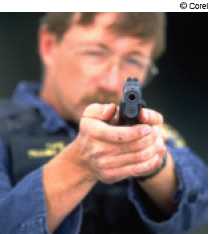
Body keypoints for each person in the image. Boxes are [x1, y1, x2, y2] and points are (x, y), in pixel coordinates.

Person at [0, 13, 207, 234]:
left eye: (133, 60)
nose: (110, 83)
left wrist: (152, 162)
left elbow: (201, 206)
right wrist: (78, 165)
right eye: (96, 54)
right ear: (49, 45)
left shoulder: (157, 134)